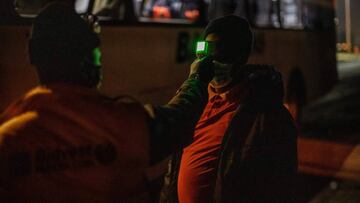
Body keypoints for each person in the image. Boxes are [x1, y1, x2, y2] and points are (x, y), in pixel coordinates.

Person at [0, 3, 214, 202]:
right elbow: (179, 120)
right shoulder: (123, 124)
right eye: (96, 52)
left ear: (34, 57)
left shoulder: (9, 132)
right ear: (87, 57)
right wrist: (197, 79)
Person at [160, 15, 298, 203]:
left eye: (221, 54)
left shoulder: (268, 116)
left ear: (239, 57)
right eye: (205, 52)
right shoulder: (194, 102)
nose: (210, 62)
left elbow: (280, 188)